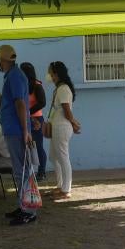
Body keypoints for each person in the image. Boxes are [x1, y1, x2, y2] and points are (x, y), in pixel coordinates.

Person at [0, 45, 38, 226]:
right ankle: (23, 205)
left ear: (2, 60)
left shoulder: (15, 76)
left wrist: (25, 131)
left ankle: (29, 211)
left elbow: (20, 104)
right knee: (20, 171)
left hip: (17, 131)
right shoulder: (12, 76)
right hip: (15, 129)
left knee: (22, 172)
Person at [45, 61, 80, 200]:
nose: (49, 76)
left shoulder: (63, 88)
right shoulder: (59, 88)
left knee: (63, 157)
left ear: (56, 74)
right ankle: (60, 185)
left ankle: (66, 189)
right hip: (57, 126)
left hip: (61, 127)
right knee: (54, 157)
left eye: (51, 73)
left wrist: (74, 123)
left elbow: (66, 110)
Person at [20, 62, 48, 181]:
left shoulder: (37, 85)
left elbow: (42, 102)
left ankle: (41, 172)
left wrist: (28, 113)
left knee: (38, 146)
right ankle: (27, 172)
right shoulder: (21, 84)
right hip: (24, 119)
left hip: (36, 120)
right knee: (24, 147)